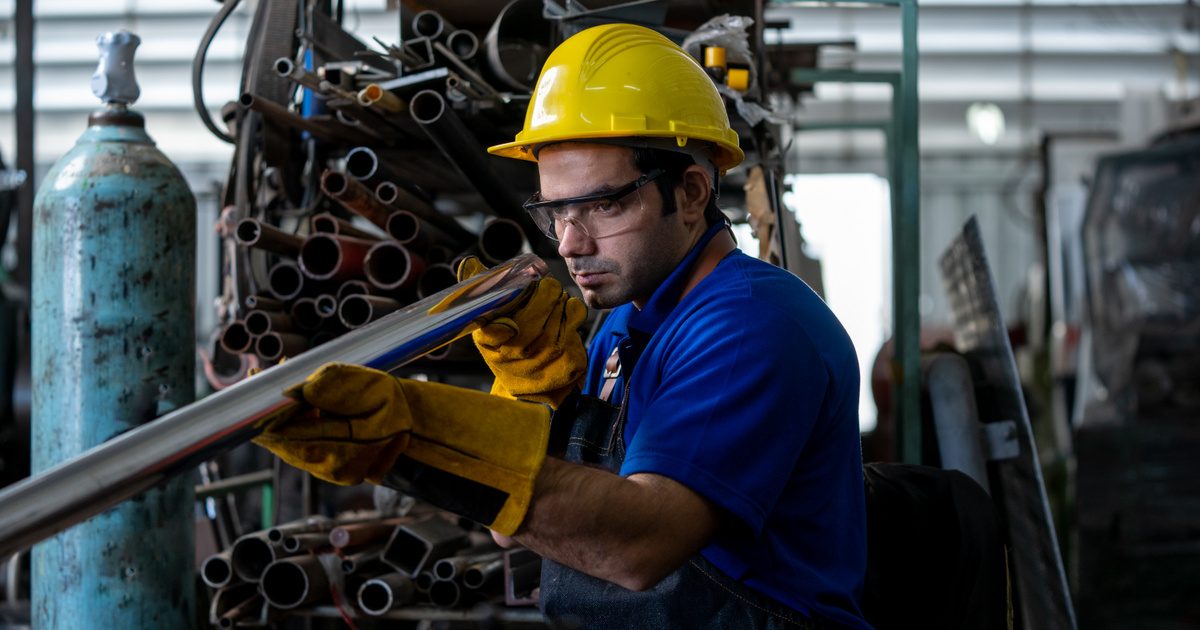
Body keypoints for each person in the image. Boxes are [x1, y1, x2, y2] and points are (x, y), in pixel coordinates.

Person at [256, 23, 870, 629]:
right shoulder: (623, 325)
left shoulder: (747, 326)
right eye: (555, 212)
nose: (571, 244)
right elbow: (511, 529)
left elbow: (641, 547)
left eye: (604, 204)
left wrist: (412, 438)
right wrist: (528, 395)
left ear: (689, 192)